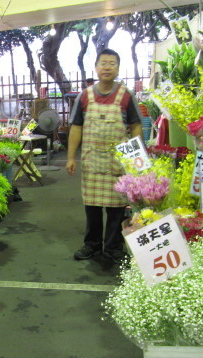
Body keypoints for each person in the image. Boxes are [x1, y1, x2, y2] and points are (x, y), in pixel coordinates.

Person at [66, 49, 142, 263]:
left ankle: (113, 248)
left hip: (117, 163)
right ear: (96, 67)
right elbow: (76, 128)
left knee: (117, 209)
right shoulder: (85, 96)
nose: (107, 67)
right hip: (92, 162)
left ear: (118, 68)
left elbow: (136, 126)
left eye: (112, 64)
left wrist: (138, 159)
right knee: (92, 208)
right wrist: (71, 157)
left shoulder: (126, 95)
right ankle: (91, 245)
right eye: (103, 63)